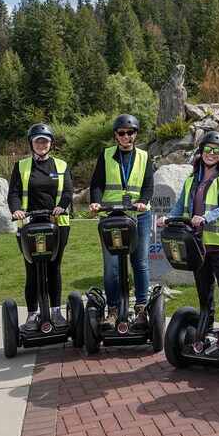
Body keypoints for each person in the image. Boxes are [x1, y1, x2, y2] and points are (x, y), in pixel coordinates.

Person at [156, 131, 219, 346]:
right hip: (196, 245)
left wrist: (205, 218)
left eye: (216, 150)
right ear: (201, 151)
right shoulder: (192, 178)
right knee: (205, 291)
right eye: (208, 149)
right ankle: (208, 330)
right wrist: (168, 218)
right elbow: (180, 204)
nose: (211, 153)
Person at [88, 114, 154, 329]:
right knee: (112, 267)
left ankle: (142, 309)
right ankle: (113, 310)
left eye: (131, 133)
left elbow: (148, 185)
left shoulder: (144, 156)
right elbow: (97, 182)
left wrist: (143, 202)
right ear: (115, 135)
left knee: (140, 263)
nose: (127, 137)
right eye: (122, 133)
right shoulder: (105, 155)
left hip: (138, 215)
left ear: (136, 134)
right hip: (111, 217)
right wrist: (96, 202)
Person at [8, 123, 74, 330]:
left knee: (54, 268)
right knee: (32, 270)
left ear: (51, 144)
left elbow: (68, 192)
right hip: (29, 223)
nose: (41, 144)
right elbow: (14, 193)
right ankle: (31, 314)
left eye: (45, 141)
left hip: (57, 224)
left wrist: (61, 207)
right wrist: (16, 210)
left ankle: (56, 312)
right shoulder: (21, 166)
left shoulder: (61, 166)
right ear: (32, 143)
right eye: (38, 141)